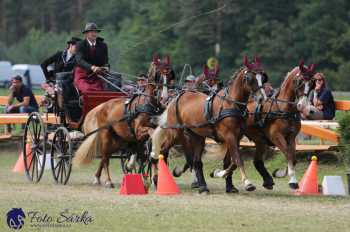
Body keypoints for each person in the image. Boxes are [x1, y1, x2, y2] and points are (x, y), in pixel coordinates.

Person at [74, 22, 109, 94]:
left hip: (97, 76)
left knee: (101, 91)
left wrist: (106, 67)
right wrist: (92, 67)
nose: (94, 34)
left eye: (96, 32)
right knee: (88, 90)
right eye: (91, 32)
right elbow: (79, 60)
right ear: (86, 34)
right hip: (83, 75)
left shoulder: (103, 45)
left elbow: (106, 61)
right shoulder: (80, 44)